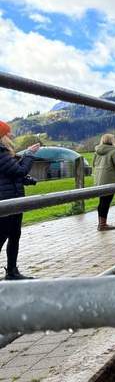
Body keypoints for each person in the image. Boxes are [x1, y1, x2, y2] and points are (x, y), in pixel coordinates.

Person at [0, 120, 40, 280]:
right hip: (7, 201)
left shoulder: (4, 152)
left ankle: (12, 271)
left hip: (13, 200)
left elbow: (9, 174)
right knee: (2, 236)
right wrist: (29, 154)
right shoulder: (0, 152)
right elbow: (18, 171)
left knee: (14, 235)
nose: (11, 135)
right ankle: (11, 271)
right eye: (8, 132)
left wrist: (25, 179)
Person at [92, 133, 115, 231]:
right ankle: (102, 225)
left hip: (99, 179)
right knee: (106, 202)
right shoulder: (114, 151)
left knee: (102, 201)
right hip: (110, 179)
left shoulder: (97, 151)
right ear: (112, 140)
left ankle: (101, 223)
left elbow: (93, 164)